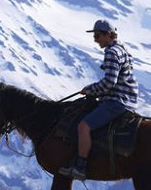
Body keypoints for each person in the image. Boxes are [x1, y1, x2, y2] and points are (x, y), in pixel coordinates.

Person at [59, 19, 138, 180]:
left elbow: (110, 82)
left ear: (109, 34)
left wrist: (90, 90)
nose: (95, 39)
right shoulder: (122, 49)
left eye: (98, 35)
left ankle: (80, 167)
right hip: (126, 100)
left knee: (83, 126)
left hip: (115, 101)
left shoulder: (111, 52)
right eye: (94, 36)